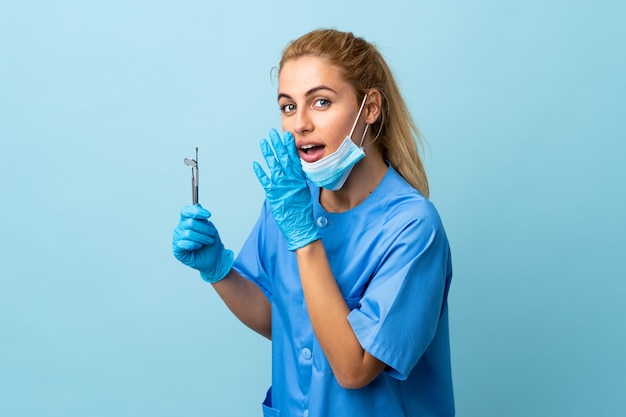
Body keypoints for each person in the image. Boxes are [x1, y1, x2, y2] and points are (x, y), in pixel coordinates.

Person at [173, 29, 454, 417]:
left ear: (369, 108)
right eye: (288, 107)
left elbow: (355, 369)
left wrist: (304, 239)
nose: (300, 123)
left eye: (321, 102)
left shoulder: (413, 228)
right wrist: (219, 268)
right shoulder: (289, 200)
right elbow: (283, 319)